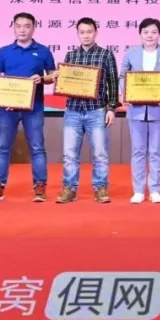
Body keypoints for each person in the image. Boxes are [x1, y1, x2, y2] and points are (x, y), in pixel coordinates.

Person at [0, 12, 57, 203]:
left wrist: (42, 79)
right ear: (13, 27)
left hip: (34, 107)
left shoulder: (43, 51)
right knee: (2, 148)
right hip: (7, 108)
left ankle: (40, 186)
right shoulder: (4, 51)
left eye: (27, 26)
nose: (22, 30)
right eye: (18, 26)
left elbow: (53, 76)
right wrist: (4, 97)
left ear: (34, 28)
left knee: (37, 147)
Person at [57, 17, 119, 204]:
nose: (86, 35)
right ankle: (69, 188)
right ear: (77, 33)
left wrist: (111, 108)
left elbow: (113, 84)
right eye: (82, 32)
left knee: (100, 153)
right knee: (69, 154)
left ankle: (100, 188)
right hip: (73, 111)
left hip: (96, 111)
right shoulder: (71, 56)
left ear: (96, 32)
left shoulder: (106, 55)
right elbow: (65, 83)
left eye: (89, 32)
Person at [120, 18, 160, 204]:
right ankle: (138, 190)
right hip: (136, 110)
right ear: (140, 34)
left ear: (159, 34)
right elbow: (123, 76)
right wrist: (125, 92)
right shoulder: (131, 53)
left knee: (156, 151)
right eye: (146, 32)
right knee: (138, 151)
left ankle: (155, 189)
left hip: (158, 109)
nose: (150, 35)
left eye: (154, 32)